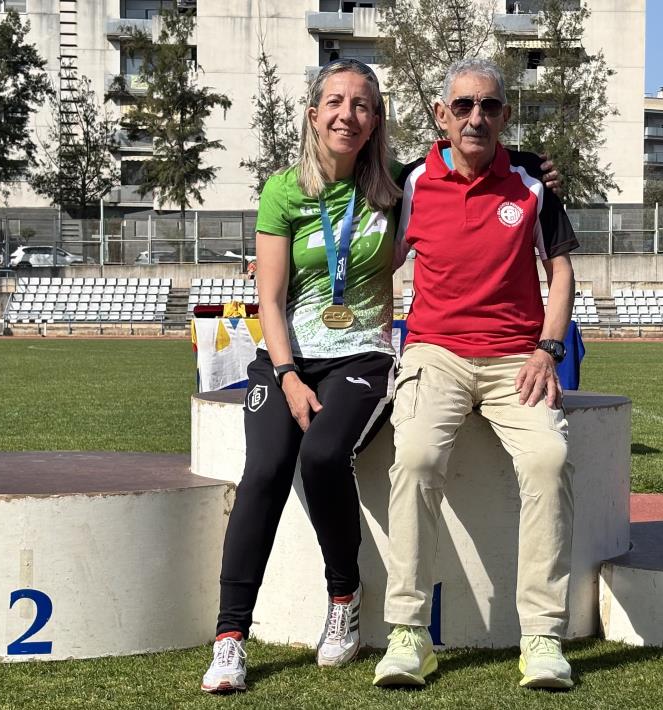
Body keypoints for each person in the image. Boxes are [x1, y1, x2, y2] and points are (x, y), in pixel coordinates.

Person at [199, 58, 561, 694]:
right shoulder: (298, 189)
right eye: (335, 103)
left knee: (324, 456)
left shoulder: (395, 181)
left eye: (362, 105)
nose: (348, 115)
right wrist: (285, 373)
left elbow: (479, 150)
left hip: (373, 357)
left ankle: (353, 600)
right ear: (314, 114)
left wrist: (534, 161)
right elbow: (271, 300)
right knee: (264, 474)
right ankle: (233, 637)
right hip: (304, 356)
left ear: (377, 121)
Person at [373, 58, 578, 691]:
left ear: (505, 116)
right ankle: (409, 634)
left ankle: (542, 637)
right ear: (441, 115)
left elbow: (562, 272)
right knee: (413, 456)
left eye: (489, 106)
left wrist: (548, 347)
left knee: (548, 456)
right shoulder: (410, 184)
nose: (475, 117)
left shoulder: (533, 184)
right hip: (435, 353)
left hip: (518, 356)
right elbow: (372, 259)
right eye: (462, 106)